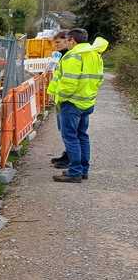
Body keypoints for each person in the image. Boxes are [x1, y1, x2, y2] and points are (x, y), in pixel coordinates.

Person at [46, 29, 108, 183]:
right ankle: (83, 170)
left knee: (71, 137)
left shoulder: (73, 56)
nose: (65, 43)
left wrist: (60, 98)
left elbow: (68, 83)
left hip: (71, 103)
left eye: (66, 40)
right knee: (82, 136)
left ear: (72, 40)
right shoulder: (95, 54)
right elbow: (99, 79)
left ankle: (74, 172)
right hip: (86, 101)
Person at [48, 31, 71, 168]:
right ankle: (67, 154)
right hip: (60, 98)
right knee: (63, 130)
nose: (55, 45)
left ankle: (70, 158)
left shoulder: (68, 57)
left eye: (58, 42)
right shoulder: (60, 57)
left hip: (66, 99)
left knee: (69, 131)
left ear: (67, 41)